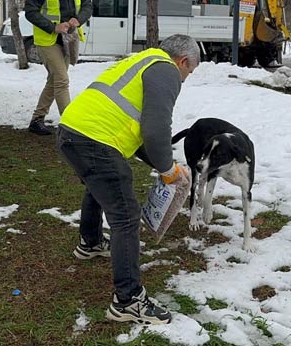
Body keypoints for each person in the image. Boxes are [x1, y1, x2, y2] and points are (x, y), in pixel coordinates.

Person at [56, 34, 199, 325]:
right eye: (189, 72)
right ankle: (129, 300)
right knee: (125, 216)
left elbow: (138, 130)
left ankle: (91, 241)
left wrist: (165, 165)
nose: (184, 79)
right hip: (95, 140)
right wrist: (168, 169)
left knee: (98, 186)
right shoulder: (166, 69)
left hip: (72, 131)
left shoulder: (141, 59)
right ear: (183, 61)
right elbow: (156, 128)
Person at [24, 0, 92, 136]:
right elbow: (30, 12)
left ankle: (37, 119)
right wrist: (54, 27)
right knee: (61, 79)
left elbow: (87, 5)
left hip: (69, 37)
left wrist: (78, 19)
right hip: (48, 39)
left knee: (54, 80)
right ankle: (71, 126)